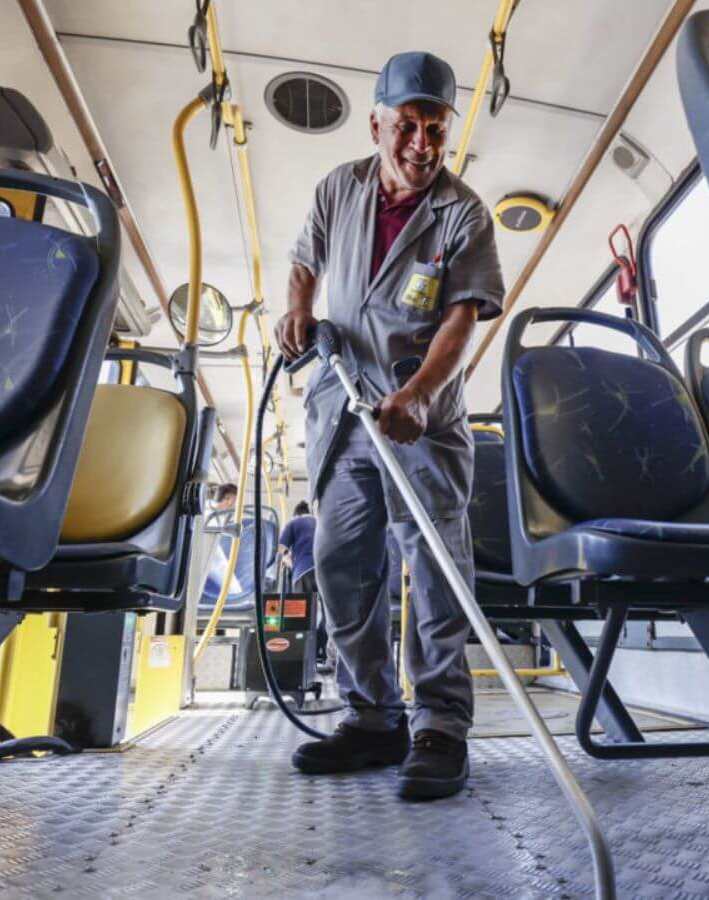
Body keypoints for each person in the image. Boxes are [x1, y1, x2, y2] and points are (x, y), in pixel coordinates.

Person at [275, 50, 504, 801]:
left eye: (434, 129)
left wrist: (419, 393)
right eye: (406, 125)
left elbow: (462, 317)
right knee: (341, 563)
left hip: (418, 420)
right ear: (377, 122)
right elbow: (305, 259)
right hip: (343, 412)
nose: (420, 144)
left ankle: (440, 725)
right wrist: (299, 310)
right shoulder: (338, 187)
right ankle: (373, 718)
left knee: (434, 569)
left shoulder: (462, 213)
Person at [278, 501, 325, 665]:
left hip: (303, 572)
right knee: (328, 616)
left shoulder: (293, 523)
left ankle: (301, 656)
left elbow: (281, 550)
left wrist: (291, 562)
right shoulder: (322, 521)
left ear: (296, 513)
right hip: (326, 571)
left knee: (301, 615)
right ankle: (322, 653)